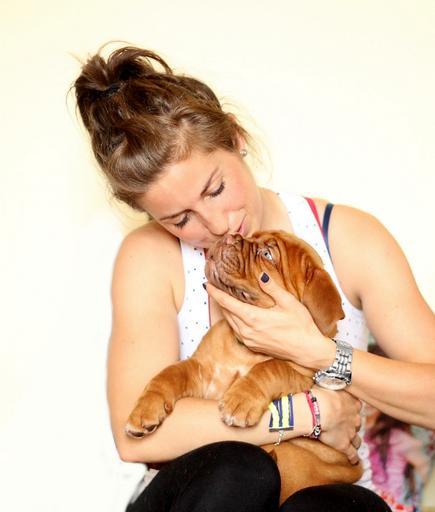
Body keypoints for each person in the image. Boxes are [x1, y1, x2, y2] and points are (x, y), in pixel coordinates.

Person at [73, 45, 435, 512]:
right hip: (205, 495)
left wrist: (320, 354)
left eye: (216, 189)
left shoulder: (346, 238)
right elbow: (136, 436)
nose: (217, 225)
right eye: (180, 219)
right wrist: (311, 411)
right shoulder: (149, 257)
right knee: (239, 470)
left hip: (323, 488)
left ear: (236, 137)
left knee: (336, 507)